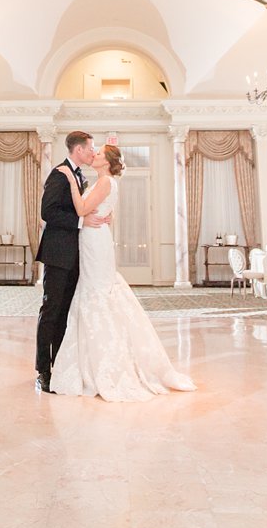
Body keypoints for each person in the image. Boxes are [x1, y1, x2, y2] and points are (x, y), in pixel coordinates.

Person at [49, 144, 196, 402]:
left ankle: (106, 363)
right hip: (93, 238)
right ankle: (89, 361)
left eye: (98, 154)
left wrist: (72, 182)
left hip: (95, 241)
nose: (93, 155)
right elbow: (106, 211)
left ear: (106, 162)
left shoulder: (105, 182)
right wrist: (105, 215)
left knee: (98, 292)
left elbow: (82, 209)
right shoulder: (104, 182)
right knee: (93, 291)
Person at [35, 131, 111, 394]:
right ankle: (42, 370)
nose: (93, 153)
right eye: (90, 149)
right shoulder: (59, 174)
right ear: (78, 150)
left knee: (66, 313)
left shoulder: (80, 176)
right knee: (51, 311)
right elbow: (48, 212)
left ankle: (60, 366)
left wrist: (101, 216)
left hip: (77, 254)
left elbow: (87, 206)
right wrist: (80, 221)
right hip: (58, 254)